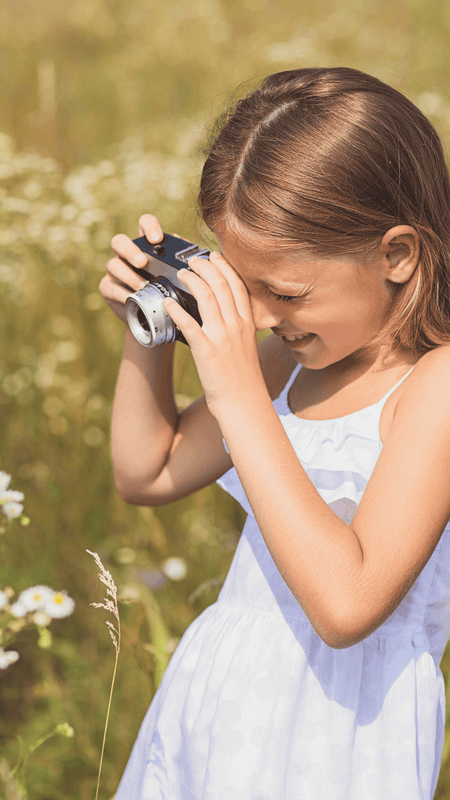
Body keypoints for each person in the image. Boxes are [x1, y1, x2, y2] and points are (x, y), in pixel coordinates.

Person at [99, 67, 450, 799]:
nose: (259, 316)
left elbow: (347, 605)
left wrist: (234, 391)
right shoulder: (289, 360)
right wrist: (151, 329)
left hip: (339, 736)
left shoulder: (434, 388)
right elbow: (147, 472)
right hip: (218, 705)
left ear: (397, 255)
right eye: (240, 284)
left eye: (285, 292)